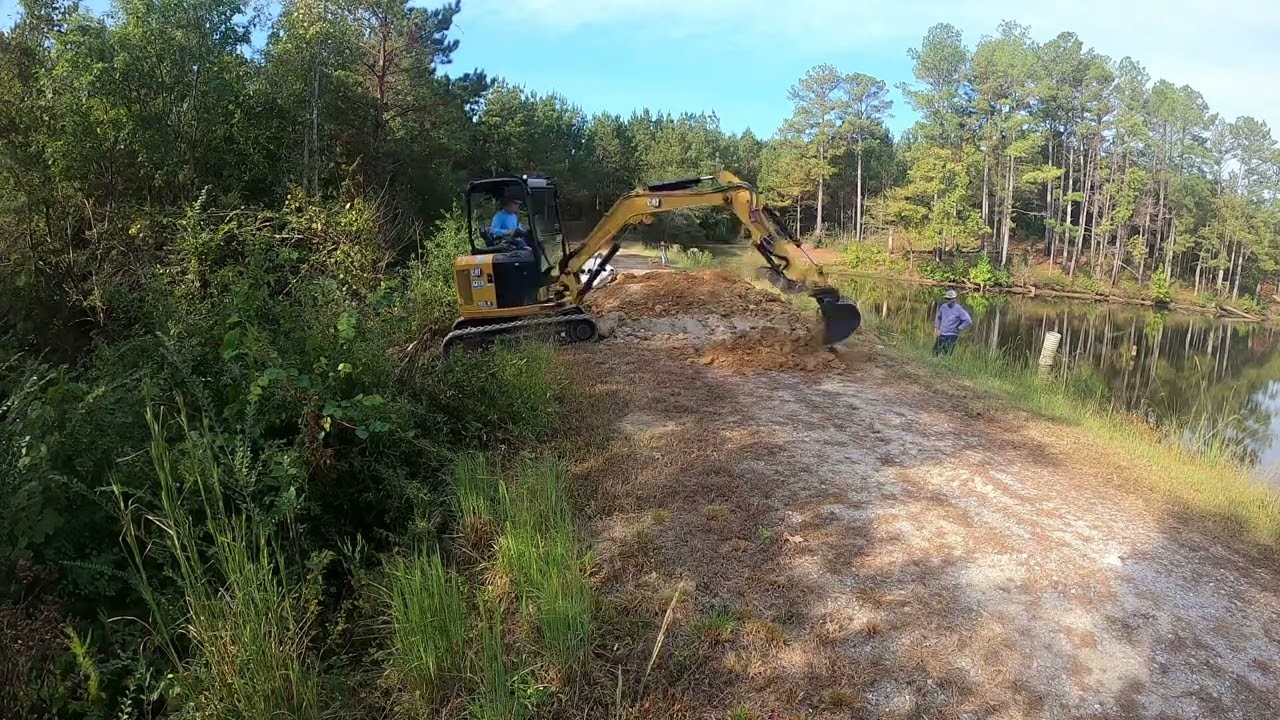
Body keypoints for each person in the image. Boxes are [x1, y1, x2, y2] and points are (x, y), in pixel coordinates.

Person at [932, 289, 972, 356]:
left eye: (950, 299)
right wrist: (937, 329)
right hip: (942, 334)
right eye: (947, 299)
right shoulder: (943, 307)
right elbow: (938, 318)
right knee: (935, 352)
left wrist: (959, 328)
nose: (949, 300)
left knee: (945, 353)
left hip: (952, 335)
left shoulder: (959, 309)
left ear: (954, 299)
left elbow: (968, 321)